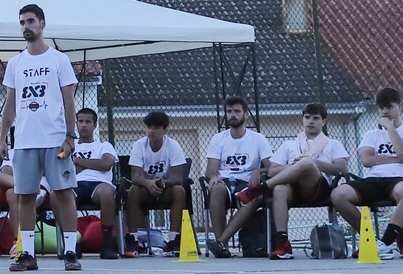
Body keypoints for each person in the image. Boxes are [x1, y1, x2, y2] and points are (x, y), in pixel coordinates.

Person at [1, 3, 82, 271]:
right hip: (24, 142)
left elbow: (69, 102)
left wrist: (70, 137)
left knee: (62, 192)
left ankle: (70, 251)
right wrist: (3, 137)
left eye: (31, 21)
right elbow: (10, 103)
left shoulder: (59, 60)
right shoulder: (15, 63)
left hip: (54, 140)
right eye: (22, 22)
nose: (26, 26)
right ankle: (27, 254)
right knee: (24, 195)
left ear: (42, 24)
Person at [337, 89, 403, 257]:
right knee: (339, 194)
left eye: (389, 106)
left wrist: (390, 128)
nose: (385, 111)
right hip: (374, 179)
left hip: (401, 178)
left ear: (400, 107)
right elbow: (367, 160)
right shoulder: (371, 134)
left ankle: (402, 239)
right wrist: (400, 159)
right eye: (381, 108)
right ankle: (371, 241)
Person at [263, 103, 352, 258]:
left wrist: (314, 164)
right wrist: (294, 166)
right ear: (302, 119)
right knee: (279, 189)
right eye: (307, 117)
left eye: (316, 118)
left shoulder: (333, 144)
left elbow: (342, 169)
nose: (310, 121)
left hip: (319, 188)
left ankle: (261, 188)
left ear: (323, 121)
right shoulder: (289, 145)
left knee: (307, 162)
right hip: (293, 188)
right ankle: (282, 243)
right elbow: (272, 170)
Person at [201, 96, 273, 257]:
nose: (232, 115)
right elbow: (210, 170)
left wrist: (259, 171)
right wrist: (213, 178)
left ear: (245, 114)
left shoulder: (258, 139)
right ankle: (223, 246)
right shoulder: (218, 139)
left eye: (237, 111)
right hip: (225, 182)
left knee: (255, 194)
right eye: (229, 111)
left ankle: (220, 242)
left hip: (247, 182)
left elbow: (271, 167)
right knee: (217, 188)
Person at [124, 110, 195, 255]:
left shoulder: (173, 146)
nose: (151, 131)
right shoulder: (139, 145)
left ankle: (173, 240)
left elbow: (178, 177)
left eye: (156, 127)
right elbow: (135, 176)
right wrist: (148, 183)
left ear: (164, 130)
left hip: (165, 189)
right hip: (145, 190)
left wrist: (161, 183)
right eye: (149, 127)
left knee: (179, 190)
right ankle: (133, 240)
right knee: (133, 190)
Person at [69, 106, 121, 259]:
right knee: (60, 194)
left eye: (88, 122)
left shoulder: (104, 146)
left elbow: (106, 164)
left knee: (107, 192)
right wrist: (92, 163)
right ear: (76, 124)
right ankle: (71, 245)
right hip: (74, 184)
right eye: (80, 121)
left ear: (95, 125)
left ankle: (106, 244)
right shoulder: (68, 147)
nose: (84, 125)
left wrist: (78, 161)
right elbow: (60, 162)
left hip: (98, 185)